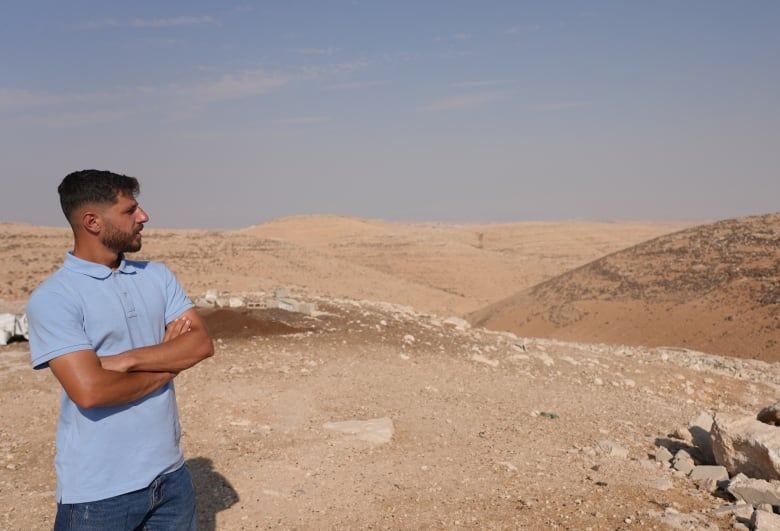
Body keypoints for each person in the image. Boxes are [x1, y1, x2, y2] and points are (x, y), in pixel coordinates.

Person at [26, 169, 214, 530]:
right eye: (130, 211)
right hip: (99, 492)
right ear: (92, 222)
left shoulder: (157, 276)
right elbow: (92, 391)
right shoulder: (54, 299)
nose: (143, 217)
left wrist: (126, 360)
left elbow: (201, 343)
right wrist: (171, 361)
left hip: (171, 477)